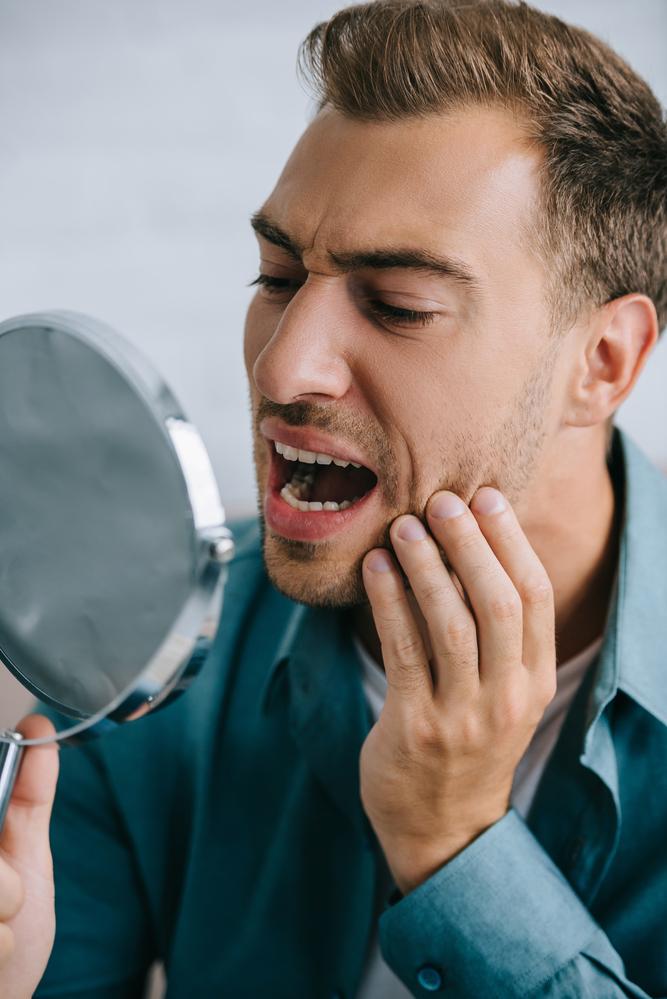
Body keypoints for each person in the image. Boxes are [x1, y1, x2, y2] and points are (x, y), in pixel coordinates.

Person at [1, 0, 666, 995]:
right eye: (276, 277)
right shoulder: (140, 653)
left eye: (398, 305)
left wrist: (453, 846)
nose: (283, 365)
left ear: (602, 363)